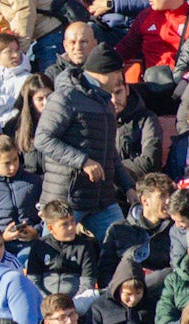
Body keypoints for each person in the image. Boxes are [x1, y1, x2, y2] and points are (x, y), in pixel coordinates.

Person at [34, 44, 135, 242]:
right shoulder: (66, 97)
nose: (119, 79)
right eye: (117, 73)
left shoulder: (105, 102)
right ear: (103, 72)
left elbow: (109, 152)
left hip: (102, 198)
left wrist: (127, 186)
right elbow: (43, 138)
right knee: (53, 253)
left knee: (124, 246)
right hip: (67, 197)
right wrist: (83, 161)